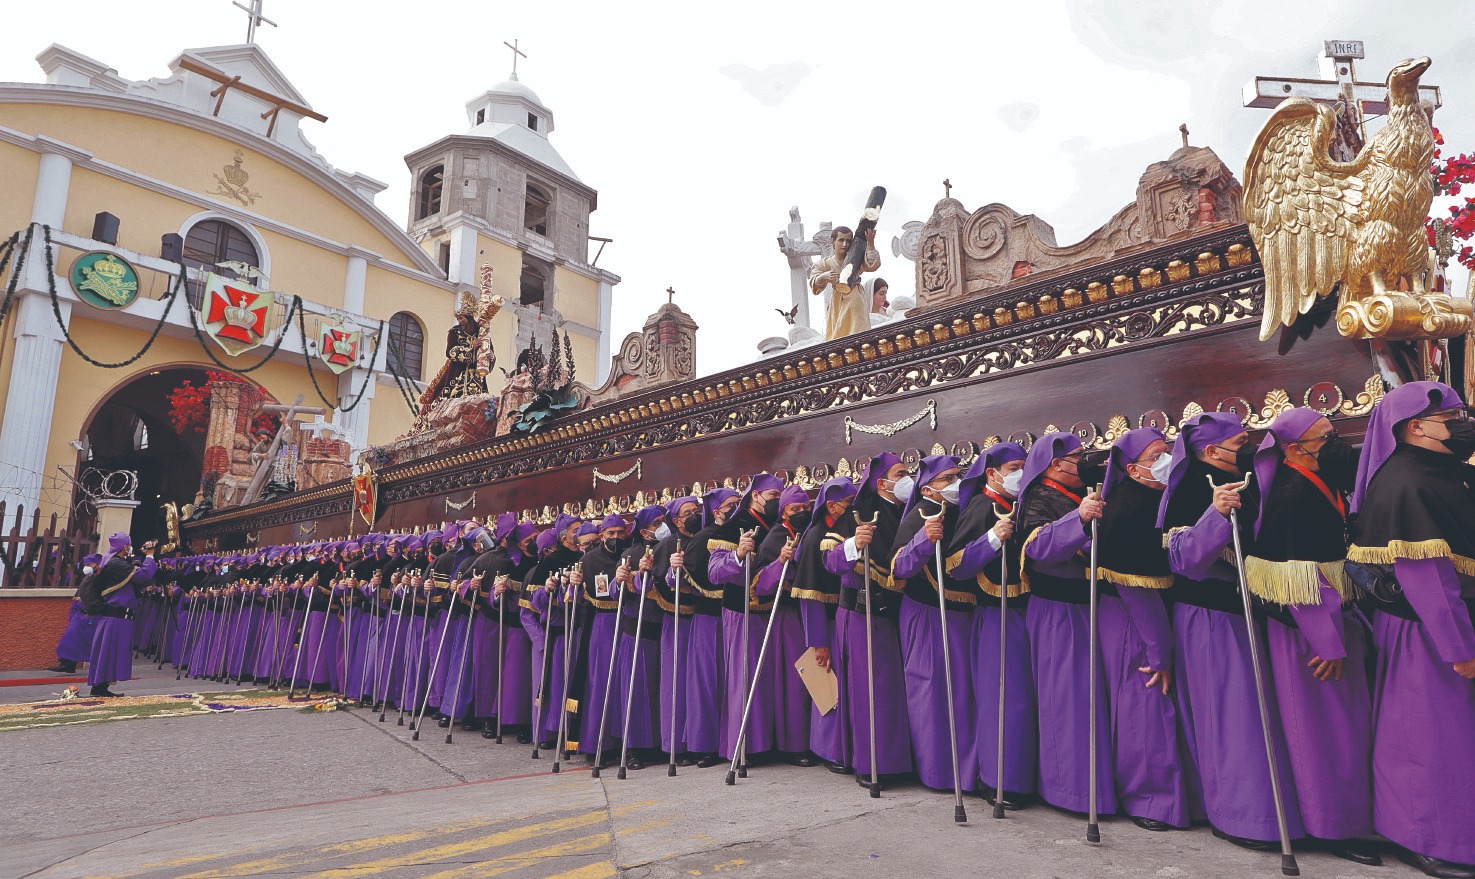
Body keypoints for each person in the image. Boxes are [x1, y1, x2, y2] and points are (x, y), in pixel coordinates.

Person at [1347, 381, 1475, 878]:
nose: (1464, 426)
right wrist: (1459, 649)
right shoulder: (1405, 484)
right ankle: (1427, 839)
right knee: (1429, 742)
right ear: (1416, 427)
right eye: (1454, 418)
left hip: (1455, 621)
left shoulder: (1445, 470)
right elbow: (1428, 583)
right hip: (1429, 634)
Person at [1160, 412, 1304, 852]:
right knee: (1232, 714)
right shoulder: (1191, 487)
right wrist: (1215, 515)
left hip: (1250, 612)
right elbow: (1183, 558)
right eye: (1240, 443)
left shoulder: (1248, 480)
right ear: (1210, 451)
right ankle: (1242, 815)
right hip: (1210, 617)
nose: (1248, 450)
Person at [1250, 407, 1378, 865]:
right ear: (1293, 449)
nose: (1336, 444)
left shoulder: (1319, 479)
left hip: (1334, 621)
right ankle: (1332, 827)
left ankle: (1354, 817)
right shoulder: (1292, 494)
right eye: (1325, 438)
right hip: (1310, 634)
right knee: (1324, 732)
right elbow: (1299, 581)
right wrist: (1327, 644)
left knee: (1347, 726)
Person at [1094, 428, 1190, 831]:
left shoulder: (1155, 496)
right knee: (1146, 703)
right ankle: (1149, 800)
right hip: (1134, 621)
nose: (1166, 459)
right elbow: (1137, 589)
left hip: (1147, 616)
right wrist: (1159, 651)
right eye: (1156, 456)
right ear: (1132, 469)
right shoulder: (1130, 507)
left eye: (1167, 451)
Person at [1014, 433, 1115, 816]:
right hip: (1058, 609)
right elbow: (1037, 548)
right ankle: (1068, 789)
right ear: (1055, 465)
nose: (1085, 463)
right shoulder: (1038, 499)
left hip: (1092, 607)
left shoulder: (1082, 491)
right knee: (1067, 701)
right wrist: (1080, 519)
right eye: (1077, 458)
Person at [949, 442, 1032, 808]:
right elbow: (956, 564)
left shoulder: (1022, 502)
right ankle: (1000, 780)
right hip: (997, 614)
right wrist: (992, 539)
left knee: (1026, 700)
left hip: (1029, 610)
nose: (1019, 472)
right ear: (992, 473)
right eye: (1013, 467)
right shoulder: (982, 507)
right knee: (1005, 699)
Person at [890, 454, 978, 792]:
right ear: (928, 488)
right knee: (931, 692)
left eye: (958, 476)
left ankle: (966, 771)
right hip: (927, 614)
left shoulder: (962, 511)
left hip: (962, 614)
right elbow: (898, 566)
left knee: (962, 694)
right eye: (948, 479)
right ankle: (936, 771)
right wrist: (924, 540)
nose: (956, 483)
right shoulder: (918, 514)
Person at [83, 533, 158, 697]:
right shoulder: (117, 564)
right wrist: (150, 556)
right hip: (115, 616)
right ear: (125, 547)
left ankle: (102, 687)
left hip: (116, 617)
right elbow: (143, 575)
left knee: (110, 651)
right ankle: (99, 688)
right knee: (108, 651)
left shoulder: (113, 561)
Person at [809, 225, 881, 341]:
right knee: (838, 333)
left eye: (848, 241)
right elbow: (814, 281)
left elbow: (872, 264)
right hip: (838, 301)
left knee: (858, 329)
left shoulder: (857, 258)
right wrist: (823, 277)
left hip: (856, 297)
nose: (844, 244)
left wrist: (870, 243)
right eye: (841, 240)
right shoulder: (826, 263)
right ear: (832, 241)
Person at [49, 553, 101, 675]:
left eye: (89, 564)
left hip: (91, 615)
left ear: (96, 565)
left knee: (92, 642)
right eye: (85, 565)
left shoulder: (100, 579)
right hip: (80, 613)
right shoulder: (87, 577)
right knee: (70, 639)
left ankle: (96, 666)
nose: (86, 567)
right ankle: (67, 663)